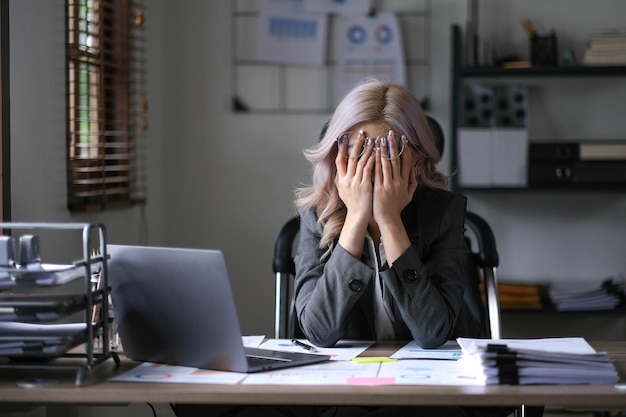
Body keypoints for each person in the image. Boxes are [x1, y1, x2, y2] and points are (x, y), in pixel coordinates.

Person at [292, 78, 511, 417]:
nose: (371, 165)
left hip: (435, 391)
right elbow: (318, 331)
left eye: (388, 150)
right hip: (348, 390)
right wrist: (355, 220)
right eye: (358, 149)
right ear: (337, 155)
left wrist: (389, 221)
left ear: (418, 160)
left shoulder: (444, 213)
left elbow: (433, 332)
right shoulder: (316, 216)